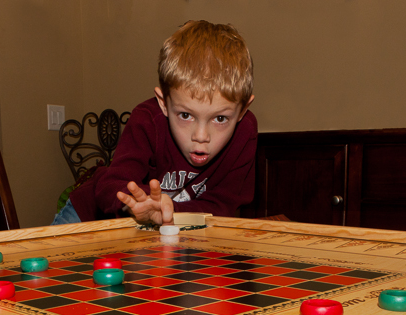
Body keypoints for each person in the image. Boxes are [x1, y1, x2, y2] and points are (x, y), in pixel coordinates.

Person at [53, 20, 257, 226]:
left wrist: (165, 211)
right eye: (186, 115)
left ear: (242, 110)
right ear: (163, 103)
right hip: (87, 215)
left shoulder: (246, 131)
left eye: (220, 118)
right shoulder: (146, 120)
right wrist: (137, 205)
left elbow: (222, 206)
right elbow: (111, 184)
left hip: (170, 226)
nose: (201, 136)